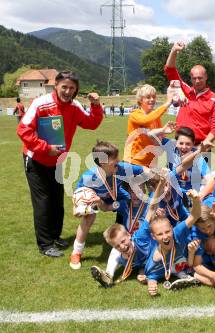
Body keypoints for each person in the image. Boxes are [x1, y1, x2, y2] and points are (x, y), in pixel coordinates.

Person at [17, 70, 104, 257]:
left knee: (57, 201)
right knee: (43, 202)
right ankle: (45, 244)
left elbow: (91, 123)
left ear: (76, 90)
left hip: (57, 160)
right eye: (64, 86)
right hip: (36, 159)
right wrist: (45, 147)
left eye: (71, 88)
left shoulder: (75, 106)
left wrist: (96, 105)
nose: (67, 91)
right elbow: (23, 129)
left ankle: (55, 237)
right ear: (55, 85)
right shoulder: (41, 103)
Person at [69, 141, 154, 269]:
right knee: (89, 218)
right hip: (97, 199)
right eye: (114, 158)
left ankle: (131, 239)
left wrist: (149, 176)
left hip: (117, 196)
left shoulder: (121, 167)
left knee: (134, 206)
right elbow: (79, 194)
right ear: (102, 163)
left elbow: (143, 169)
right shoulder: (89, 177)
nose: (118, 160)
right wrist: (81, 207)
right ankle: (76, 252)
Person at [164, 41, 215, 146]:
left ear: (206, 77)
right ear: (190, 78)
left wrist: (206, 142)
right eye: (194, 78)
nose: (197, 81)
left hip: (201, 146)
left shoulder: (214, 100)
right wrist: (174, 50)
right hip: (180, 145)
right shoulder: (184, 90)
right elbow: (170, 70)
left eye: (200, 78)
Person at [123, 84, 172, 168]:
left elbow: (160, 139)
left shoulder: (155, 118)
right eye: (148, 97)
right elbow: (146, 120)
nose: (152, 99)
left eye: (154, 97)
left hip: (151, 163)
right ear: (140, 100)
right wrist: (167, 103)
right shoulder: (134, 114)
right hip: (134, 162)